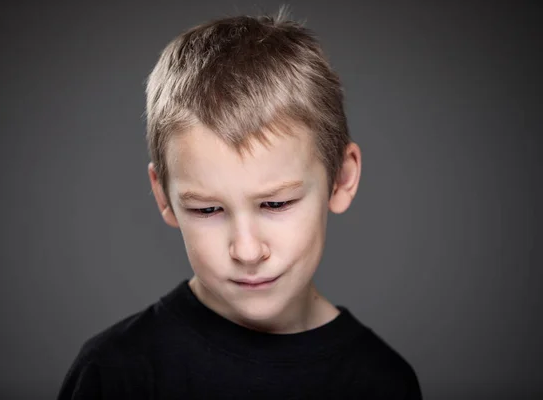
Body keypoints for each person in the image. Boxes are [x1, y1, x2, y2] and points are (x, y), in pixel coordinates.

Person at [58, 8, 422, 399]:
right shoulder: (115, 374)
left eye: (276, 204)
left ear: (342, 179)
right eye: (208, 210)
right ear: (163, 196)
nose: (247, 251)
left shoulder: (382, 381)